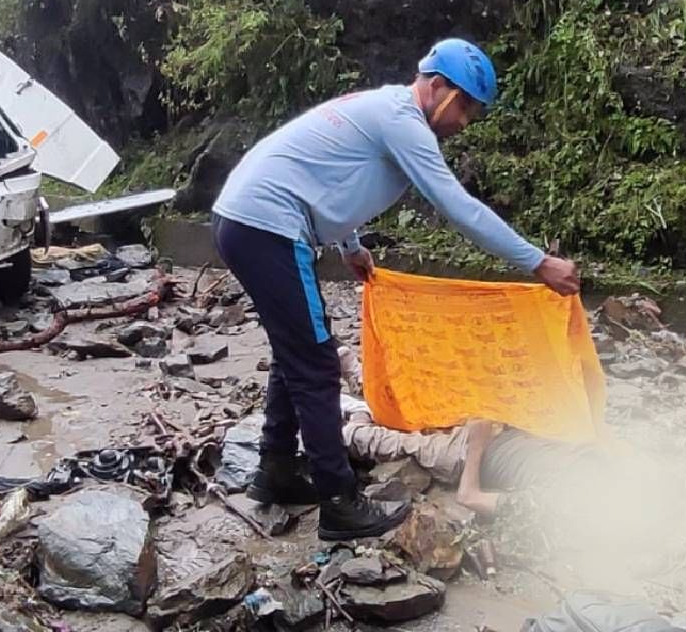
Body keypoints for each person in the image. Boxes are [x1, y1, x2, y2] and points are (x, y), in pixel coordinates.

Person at [211, 39, 581, 541]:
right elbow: (457, 206)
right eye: (466, 105)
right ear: (437, 87)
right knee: (316, 361)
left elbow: (333, 178)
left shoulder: (385, 110)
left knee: (295, 349)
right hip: (269, 225)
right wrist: (537, 262)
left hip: (250, 219)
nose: (465, 121)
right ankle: (340, 502)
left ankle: (275, 468)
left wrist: (351, 246)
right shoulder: (403, 120)